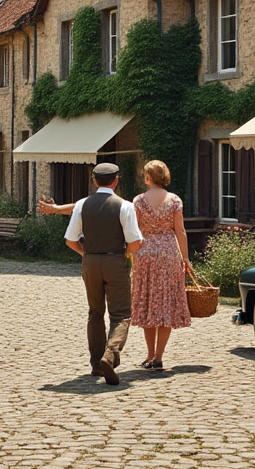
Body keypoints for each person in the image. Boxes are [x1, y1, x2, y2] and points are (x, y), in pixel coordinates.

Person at [64, 163, 143, 386]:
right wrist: (126, 253)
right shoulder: (124, 206)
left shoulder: (82, 205)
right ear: (116, 180)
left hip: (90, 261)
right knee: (121, 314)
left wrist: (85, 253)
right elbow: (135, 242)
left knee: (95, 312)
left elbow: (70, 240)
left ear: (94, 180)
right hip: (115, 260)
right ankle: (110, 354)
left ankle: (96, 364)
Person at [131, 160, 192, 370]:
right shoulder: (174, 200)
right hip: (168, 254)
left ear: (148, 177)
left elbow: (134, 230)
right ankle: (158, 357)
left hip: (145, 252)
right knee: (165, 303)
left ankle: (149, 355)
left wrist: (129, 253)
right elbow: (180, 231)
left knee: (149, 303)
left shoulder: (138, 201)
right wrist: (186, 258)